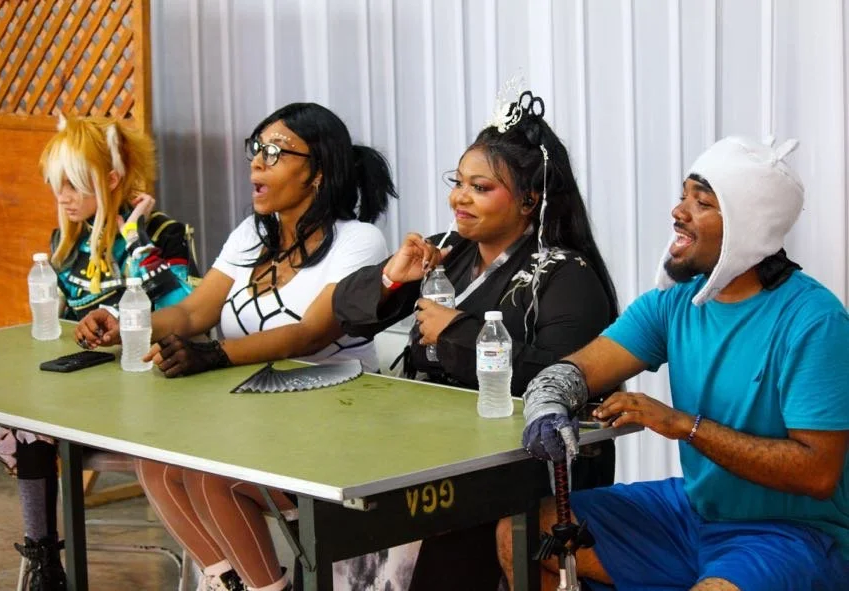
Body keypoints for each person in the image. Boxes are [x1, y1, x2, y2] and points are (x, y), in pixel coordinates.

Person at [498, 136, 849, 590]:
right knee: (524, 533)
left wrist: (684, 425)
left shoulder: (814, 321)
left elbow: (818, 474)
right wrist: (549, 401)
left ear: (749, 227)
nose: (678, 211)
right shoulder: (674, 303)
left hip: (790, 534)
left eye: (701, 201)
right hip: (693, 514)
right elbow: (579, 370)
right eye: (684, 195)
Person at [78, 102, 396, 591]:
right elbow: (191, 313)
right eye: (256, 149)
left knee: (211, 477)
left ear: (318, 172)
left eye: (275, 151)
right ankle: (231, 582)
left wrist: (214, 355)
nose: (257, 162)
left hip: (330, 423)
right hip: (247, 416)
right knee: (156, 463)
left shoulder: (359, 241)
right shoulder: (251, 234)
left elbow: (311, 332)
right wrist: (125, 323)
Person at [332, 89, 619, 591]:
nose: (458, 198)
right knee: (338, 512)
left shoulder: (566, 275)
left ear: (530, 199)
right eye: (457, 183)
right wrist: (392, 278)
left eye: (480, 187)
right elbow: (348, 314)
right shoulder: (449, 255)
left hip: (512, 469)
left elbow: (565, 379)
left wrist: (458, 331)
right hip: (428, 452)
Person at [0, 115, 197, 590]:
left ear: (110, 179)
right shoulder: (65, 244)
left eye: (73, 184)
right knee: (25, 426)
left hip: (151, 394)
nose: (61, 196)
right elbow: (59, 331)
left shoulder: (163, 232)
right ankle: (44, 556)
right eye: (54, 184)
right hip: (86, 395)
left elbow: (181, 311)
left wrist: (134, 237)